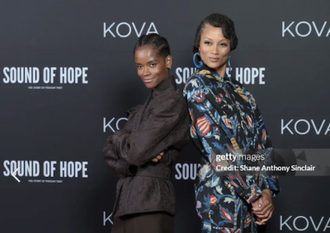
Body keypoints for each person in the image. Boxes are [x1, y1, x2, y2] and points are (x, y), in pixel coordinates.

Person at [183, 13, 280, 233]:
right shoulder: (197, 87)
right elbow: (217, 147)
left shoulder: (242, 92)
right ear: (198, 45)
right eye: (208, 43)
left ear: (231, 46)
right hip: (221, 199)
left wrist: (267, 192)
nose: (214, 51)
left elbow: (263, 143)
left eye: (222, 44)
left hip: (254, 205)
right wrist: (254, 195)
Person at [103, 33, 190, 233]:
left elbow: (136, 152)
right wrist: (127, 145)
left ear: (168, 61)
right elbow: (108, 152)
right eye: (139, 66)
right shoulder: (146, 105)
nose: (144, 72)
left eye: (152, 64)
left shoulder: (171, 102)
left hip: (151, 205)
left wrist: (121, 140)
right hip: (128, 203)